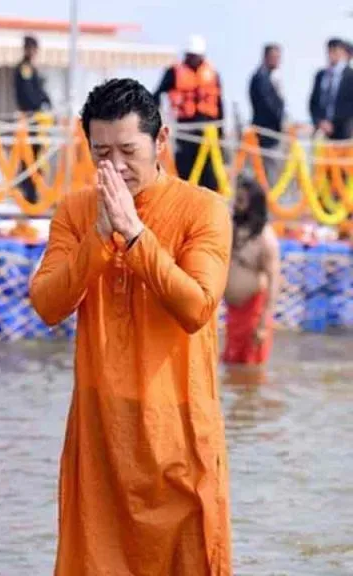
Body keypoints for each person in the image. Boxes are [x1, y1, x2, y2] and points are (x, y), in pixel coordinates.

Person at [29, 78, 233, 575]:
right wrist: (100, 237)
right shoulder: (77, 212)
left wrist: (136, 236)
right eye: (101, 153)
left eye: (128, 150)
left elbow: (197, 306)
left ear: (160, 141)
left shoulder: (202, 209)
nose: (115, 166)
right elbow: (47, 304)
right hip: (102, 439)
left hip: (177, 436)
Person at [153, 34, 225, 192]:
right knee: (185, 168)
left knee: (209, 174)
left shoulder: (212, 74)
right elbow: (156, 94)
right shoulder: (173, 72)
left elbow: (219, 104)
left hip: (209, 132)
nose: (194, 60)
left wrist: (221, 133)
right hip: (186, 130)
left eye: (197, 57)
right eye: (191, 56)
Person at [223, 176, 280, 366]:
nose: (236, 205)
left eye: (240, 201)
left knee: (251, 370)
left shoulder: (265, 238)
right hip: (233, 312)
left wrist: (264, 323)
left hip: (254, 313)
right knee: (232, 366)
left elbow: (274, 281)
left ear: (253, 204)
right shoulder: (232, 229)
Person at [14, 35, 52, 204]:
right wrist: (40, 104)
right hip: (30, 118)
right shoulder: (24, 69)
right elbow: (29, 94)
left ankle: (34, 189)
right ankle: (29, 191)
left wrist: (47, 102)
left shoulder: (31, 68)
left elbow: (39, 91)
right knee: (29, 155)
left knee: (37, 155)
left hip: (37, 118)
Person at [249, 43, 286, 180]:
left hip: (272, 133)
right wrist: (280, 119)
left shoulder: (272, 77)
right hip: (266, 133)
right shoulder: (261, 78)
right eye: (274, 57)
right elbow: (268, 106)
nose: (277, 61)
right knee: (268, 171)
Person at [309, 38, 353, 141]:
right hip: (321, 131)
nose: (331, 54)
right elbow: (313, 102)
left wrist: (334, 123)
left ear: (343, 52)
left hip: (344, 131)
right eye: (329, 51)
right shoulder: (321, 75)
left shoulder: (350, 75)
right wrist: (320, 122)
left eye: (335, 51)